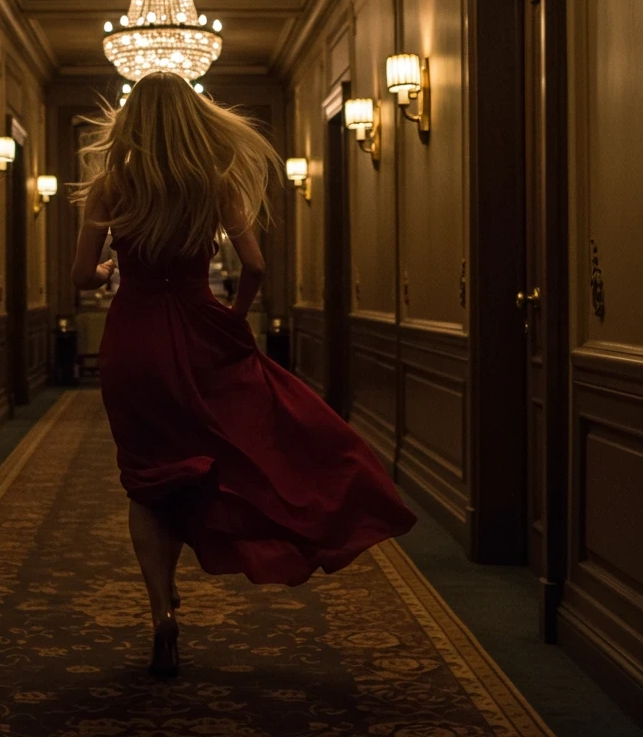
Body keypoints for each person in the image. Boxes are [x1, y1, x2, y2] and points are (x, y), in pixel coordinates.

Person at [69, 72, 416, 678]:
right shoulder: (215, 183)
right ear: (193, 119)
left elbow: (80, 278)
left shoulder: (110, 185)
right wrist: (227, 316)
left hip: (135, 339)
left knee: (147, 478)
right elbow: (253, 265)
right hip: (202, 330)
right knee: (244, 442)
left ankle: (161, 614)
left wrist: (106, 270)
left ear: (130, 123)